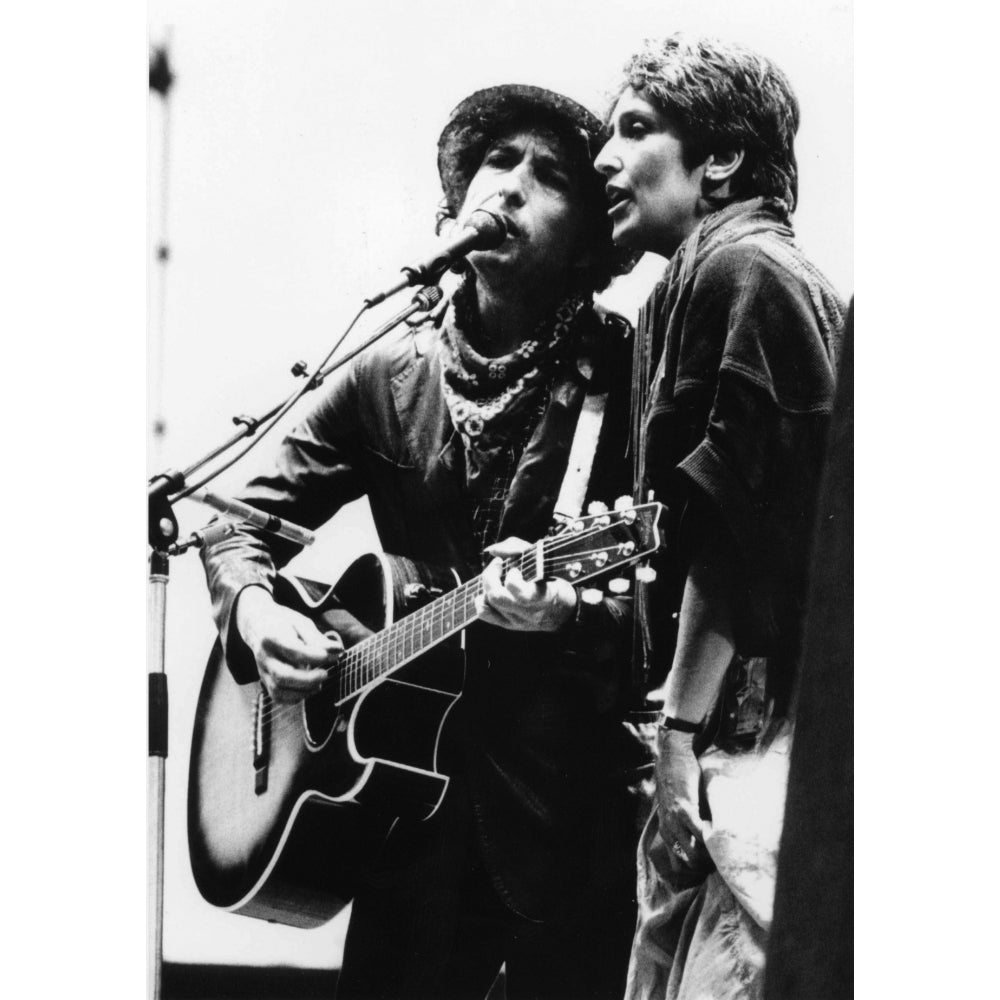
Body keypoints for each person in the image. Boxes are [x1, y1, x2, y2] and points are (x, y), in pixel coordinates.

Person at [202, 83, 650, 1000]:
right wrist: (253, 612)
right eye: (497, 161)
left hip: (564, 815)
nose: (512, 187)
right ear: (453, 204)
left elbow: (678, 599)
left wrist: (564, 622)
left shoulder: (631, 376)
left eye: (551, 175)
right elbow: (237, 521)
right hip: (400, 820)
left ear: (588, 247)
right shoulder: (385, 371)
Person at [593, 35, 847, 1000]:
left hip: (753, 741)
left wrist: (678, 731)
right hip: (722, 741)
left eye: (634, 129)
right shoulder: (690, 283)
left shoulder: (749, 271)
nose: (603, 160)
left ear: (723, 158)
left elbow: (743, 529)